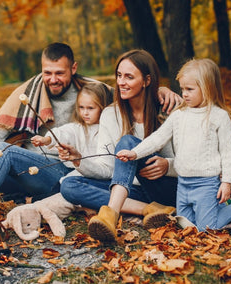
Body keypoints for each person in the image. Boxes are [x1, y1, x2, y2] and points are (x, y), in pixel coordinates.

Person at [0, 43, 181, 201]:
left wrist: (159, 91)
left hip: (62, 167)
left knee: (3, 150)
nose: (53, 79)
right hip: (28, 168)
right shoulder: (28, 91)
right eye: (47, 73)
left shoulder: (91, 90)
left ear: (73, 68)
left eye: (60, 73)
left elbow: (130, 94)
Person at [59, 49, 183, 243]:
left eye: (129, 77)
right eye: (119, 75)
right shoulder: (110, 114)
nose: (121, 82)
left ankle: (111, 215)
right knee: (69, 185)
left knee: (127, 142)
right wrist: (78, 159)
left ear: (147, 80)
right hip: (134, 191)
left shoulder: (169, 107)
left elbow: (196, 160)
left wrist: (168, 165)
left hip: (168, 186)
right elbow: (106, 168)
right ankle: (150, 209)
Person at [117, 58, 231, 233]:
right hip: (183, 183)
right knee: (185, 225)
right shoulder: (179, 114)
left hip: (206, 184)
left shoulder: (218, 117)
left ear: (207, 88)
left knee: (207, 228)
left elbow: (228, 153)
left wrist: (226, 182)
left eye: (189, 89)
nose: (184, 94)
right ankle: (212, 211)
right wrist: (135, 153)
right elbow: (158, 138)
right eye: (182, 89)